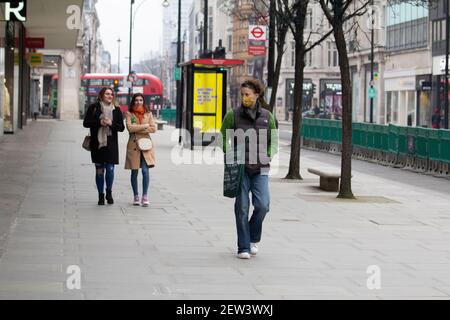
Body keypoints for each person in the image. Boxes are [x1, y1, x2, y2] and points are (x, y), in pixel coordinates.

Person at [220, 79, 278, 259]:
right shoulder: (233, 115)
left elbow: (274, 140)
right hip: (240, 169)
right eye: (242, 95)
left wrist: (269, 154)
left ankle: (253, 237)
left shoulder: (268, 117)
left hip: (261, 168)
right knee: (242, 207)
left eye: (247, 94)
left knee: (263, 206)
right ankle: (243, 247)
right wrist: (229, 155)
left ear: (257, 95)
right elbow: (223, 136)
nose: (244, 98)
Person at [83, 87, 125, 205]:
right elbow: (86, 123)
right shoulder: (94, 108)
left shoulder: (116, 110)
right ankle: (100, 195)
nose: (110, 96)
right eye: (107, 94)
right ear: (101, 95)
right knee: (99, 170)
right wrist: (99, 122)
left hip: (111, 143)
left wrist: (111, 124)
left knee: (110, 169)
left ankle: (109, 192)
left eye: (111, 94)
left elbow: (121, 128)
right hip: (98, 144)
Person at [125, 93, 156, 207]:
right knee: (134, 171)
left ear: (143, 102)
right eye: (136, 100)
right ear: (133, 102)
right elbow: (130, 128)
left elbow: (153, 129)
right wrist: (145, 126)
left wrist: (138, 129)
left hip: (146, 146)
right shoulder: (129, 113)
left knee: (145, 171)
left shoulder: (148, 114)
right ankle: (136, 196)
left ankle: (145, 196)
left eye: (141, 100)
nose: (138, 102)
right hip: (133, 146)